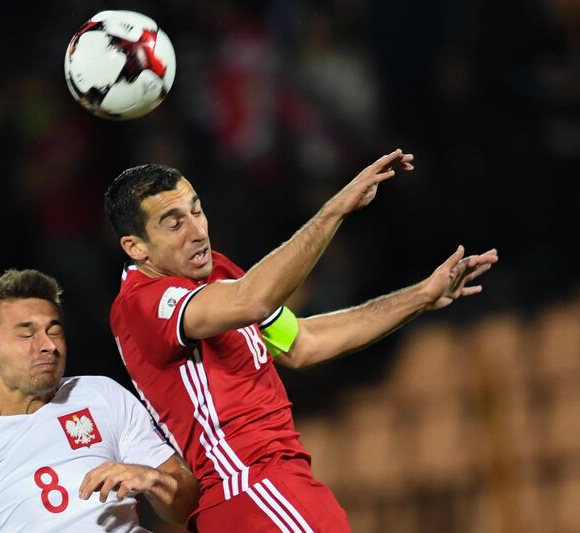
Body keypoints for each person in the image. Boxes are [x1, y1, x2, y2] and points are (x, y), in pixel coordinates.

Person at [103, 148, 499, 532]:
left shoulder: (216, 273)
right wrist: (334, 211)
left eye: (196, 210)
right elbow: (255, 298)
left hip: (269, 492)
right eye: (174, 223)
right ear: (136, 247)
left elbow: (301, 342)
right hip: (253, 489)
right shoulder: (141, 303)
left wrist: (420, 296)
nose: (197, 231)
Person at [0, 269, 199, 532]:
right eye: (26, 334)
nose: (48, 345)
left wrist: (152, 479)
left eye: (54, 330)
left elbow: (188, 503)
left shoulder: (101, 397)